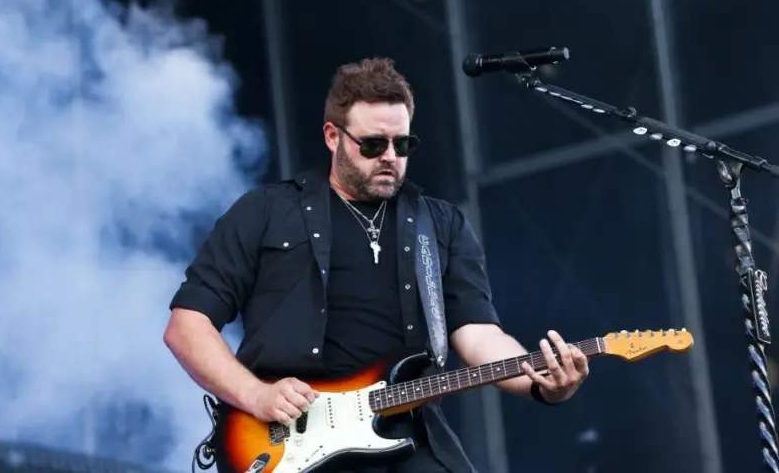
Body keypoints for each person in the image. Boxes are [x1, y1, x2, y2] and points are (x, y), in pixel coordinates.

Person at [164, 57, 590, 473]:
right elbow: (187, 326)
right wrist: (256, 395)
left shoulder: (439, 224)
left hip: (406, 434)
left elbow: (478, 333)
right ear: (333, 136)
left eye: (402, 144)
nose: (390, 155)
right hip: (288, 438)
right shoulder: (266, 211)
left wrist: (541, 382)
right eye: (373, 144)